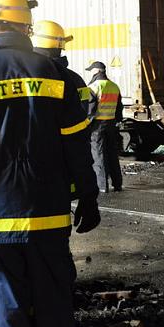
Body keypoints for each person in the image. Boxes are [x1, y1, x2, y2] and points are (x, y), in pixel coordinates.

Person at [0, 0, 99, 327]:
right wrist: (88, 194)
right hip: (49, 215)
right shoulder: (55, 74)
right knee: (55, 308)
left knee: (6, 310)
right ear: (26, 28)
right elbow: (77, 143)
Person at [32, 20, 96, 201]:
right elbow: (82, 124)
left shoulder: (25, 74)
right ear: (61, 46)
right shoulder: (74, 79)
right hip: (65, 169)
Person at [86, 61, 123, 192]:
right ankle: (117, 184)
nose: (90, 73)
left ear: (96, 71)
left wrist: (87, 125)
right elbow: (119, 108)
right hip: (111, 123)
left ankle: (102, 186)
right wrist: (117, 121)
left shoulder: (93, 87)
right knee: (112, 153)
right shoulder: (114, 86)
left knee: (98, 154)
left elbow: (90, 109)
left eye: (91, 70)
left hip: (97, 125)